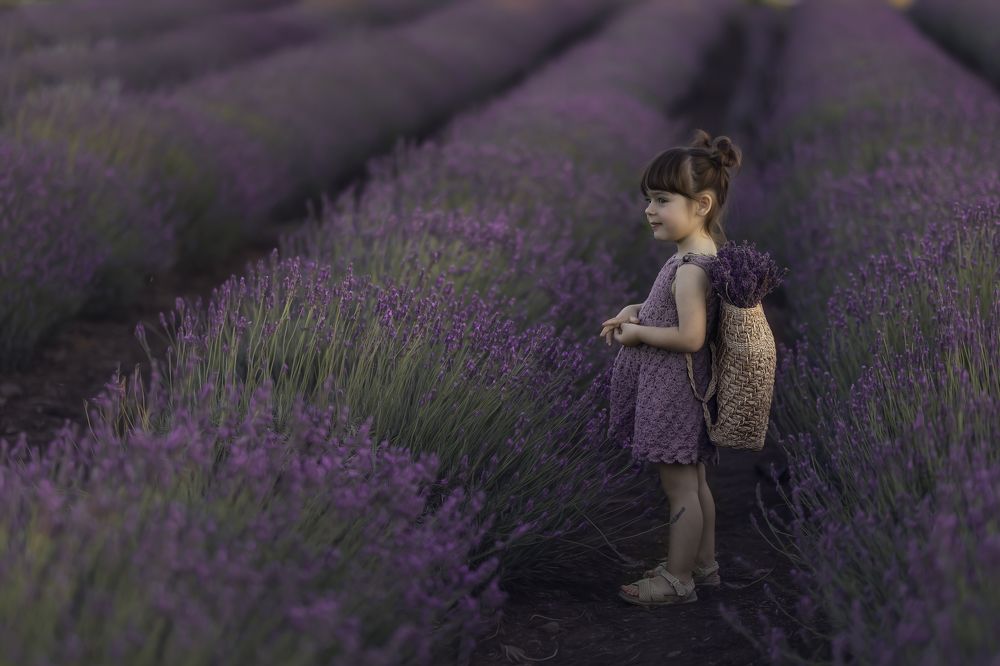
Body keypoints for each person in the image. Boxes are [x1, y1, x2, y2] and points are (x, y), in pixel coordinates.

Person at [602, 129, 743, 606]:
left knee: (679, 486)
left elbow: (690, 336)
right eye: (648, 199)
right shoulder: (698, 256)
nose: (649, 210)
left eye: (662, 199)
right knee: (696, 481)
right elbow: (672, 309)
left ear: (701, 204)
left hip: (675, 394)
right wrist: (635, 309)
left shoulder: (689, 269)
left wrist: (639, 335)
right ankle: (704, 566)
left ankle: (677, 580)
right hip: (691, 392)